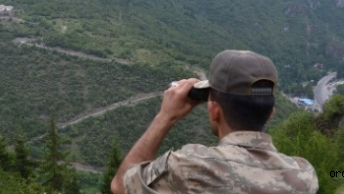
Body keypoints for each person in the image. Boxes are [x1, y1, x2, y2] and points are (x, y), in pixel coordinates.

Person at [111, 50, 319, 194]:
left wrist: (165, 117)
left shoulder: (190, 167)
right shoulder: (303, 175)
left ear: (214, 110)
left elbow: (121, 186)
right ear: (271, 112)